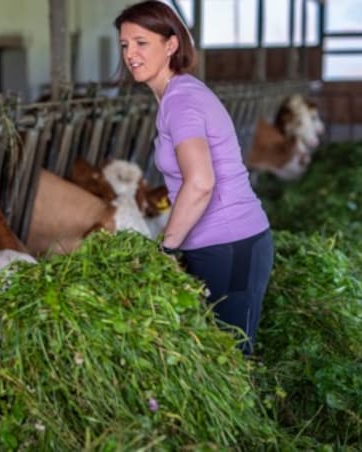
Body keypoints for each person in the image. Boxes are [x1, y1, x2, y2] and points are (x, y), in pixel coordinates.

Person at [114, 0, 273, 355]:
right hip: (215, 245)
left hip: (232, 244)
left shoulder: (181, 102)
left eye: (142, 43)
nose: (130, 54)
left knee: (232, 360)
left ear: (170, 45)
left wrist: (167, 247)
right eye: (125, 45)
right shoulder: (177, 96)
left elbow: (201, 182)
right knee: (215, 357)